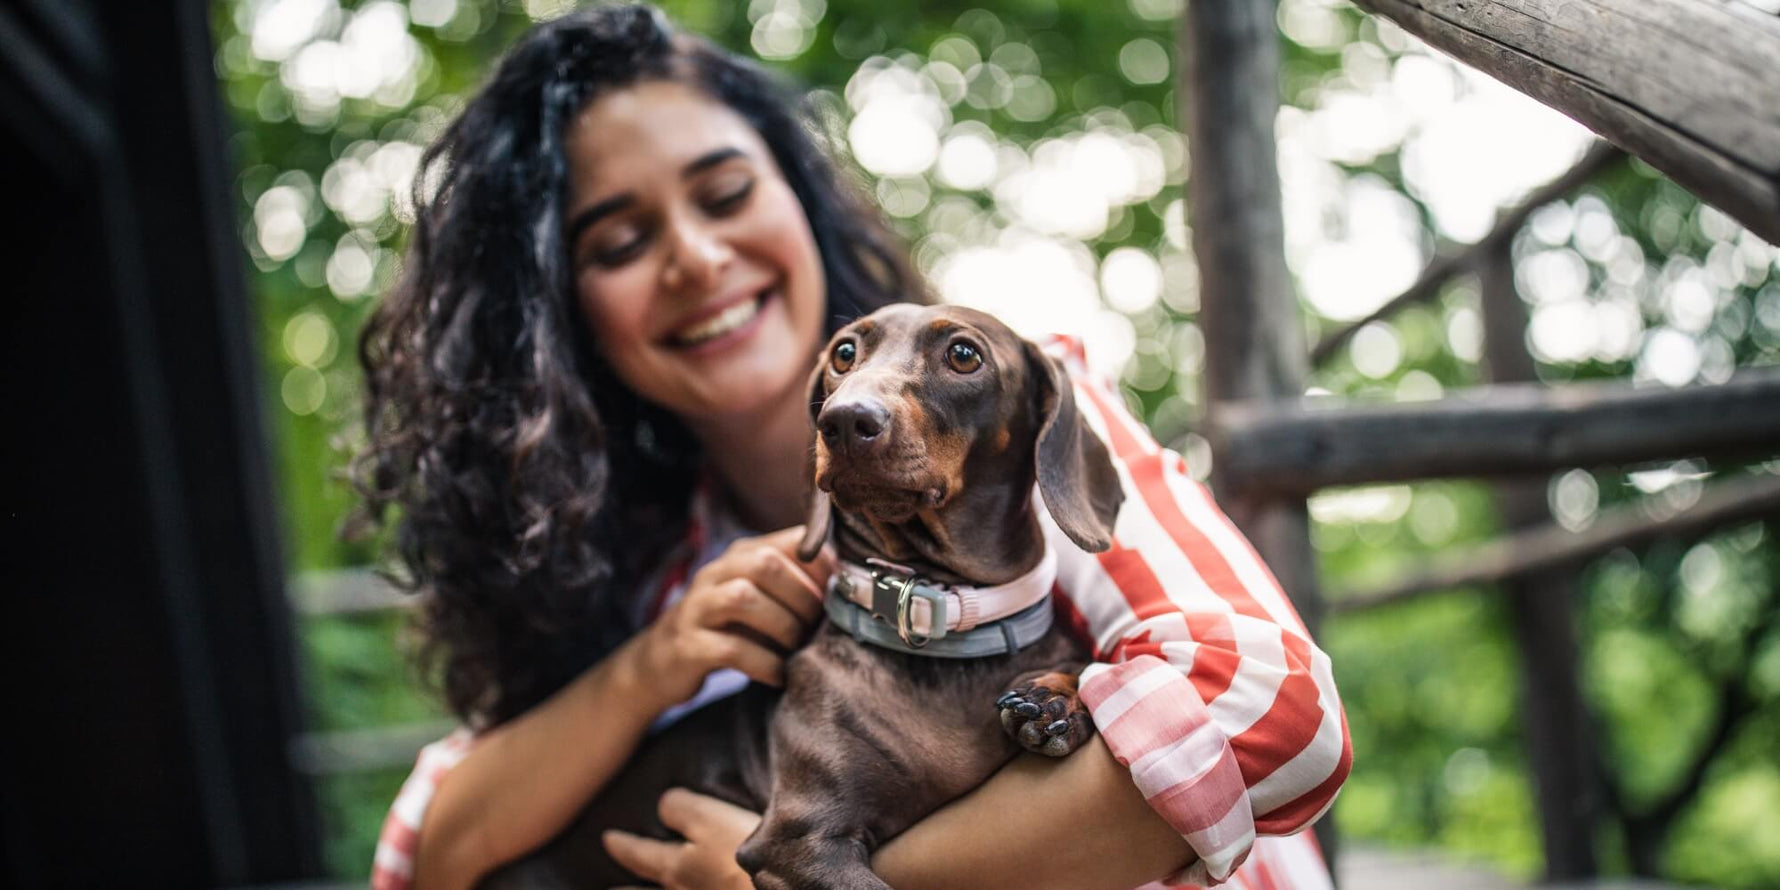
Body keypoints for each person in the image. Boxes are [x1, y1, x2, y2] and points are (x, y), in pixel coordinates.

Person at [357, 6, 1350, 890]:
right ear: (562, 317)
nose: (696, 259)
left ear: (800, 195)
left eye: (725, 191)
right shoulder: (634, 564)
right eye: (618, 244)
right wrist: (648, 668)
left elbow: (1274, 709)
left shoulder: (1024, 416)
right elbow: (428, 854)